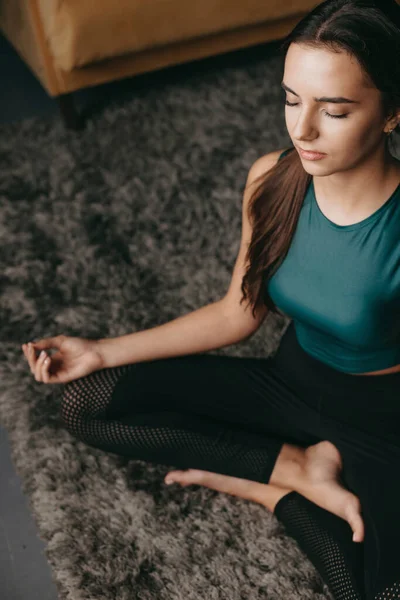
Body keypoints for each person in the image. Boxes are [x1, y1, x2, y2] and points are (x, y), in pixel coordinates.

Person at [21, 0, 400, 598]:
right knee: (87, 402)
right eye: (291, 99)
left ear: (390, 114)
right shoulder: (271, 179)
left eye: (335, 110)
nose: (301, 131)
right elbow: (237, 313)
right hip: (290, 382)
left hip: (381, 421)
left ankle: (268, 491)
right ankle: (293, 469)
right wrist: (100, 350)